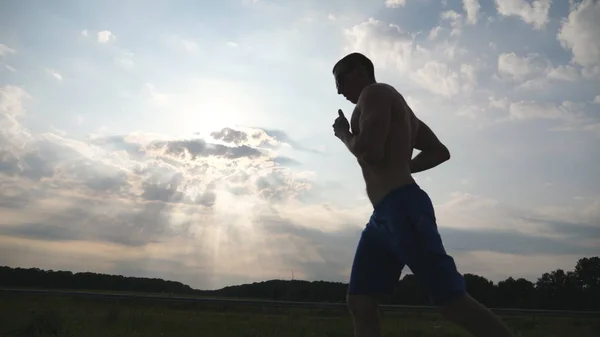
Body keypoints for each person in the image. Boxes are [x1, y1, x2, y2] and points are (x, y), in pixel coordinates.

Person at [331, 52, 515, 337]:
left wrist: (344, 133)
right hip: (384, 215)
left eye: (341, 79)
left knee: (451, 303)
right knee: (360, 301)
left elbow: (370, 151)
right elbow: (439, 152)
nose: (339, 90)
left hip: (402, 207)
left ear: (361, 71)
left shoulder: (374, 93)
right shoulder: (401, 109)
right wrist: (403, 166)